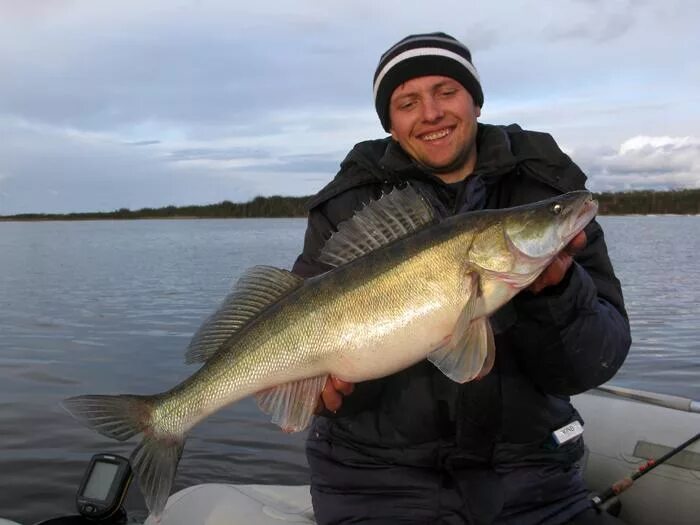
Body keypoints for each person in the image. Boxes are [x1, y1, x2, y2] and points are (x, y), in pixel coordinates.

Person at [291, 32, 631, 525]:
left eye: (446, 92)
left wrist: (557, 292)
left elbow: (593, 365)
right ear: (391, 122)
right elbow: (322, 345)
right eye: (407, 102)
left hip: (532, 481)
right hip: (375, 485)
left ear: (474, 100)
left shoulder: (545, 186)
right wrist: (325, 395)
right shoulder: (348, 205)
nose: (430, 113)